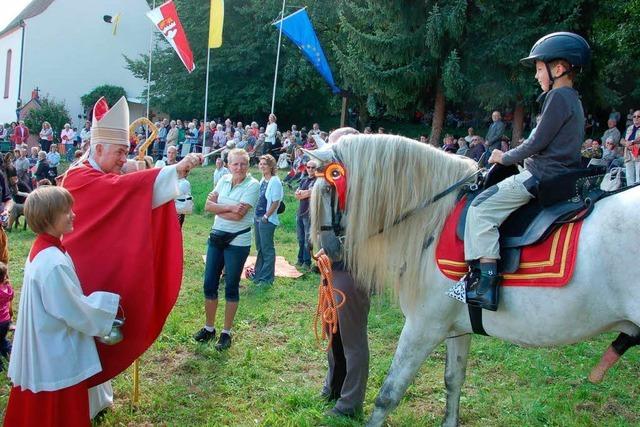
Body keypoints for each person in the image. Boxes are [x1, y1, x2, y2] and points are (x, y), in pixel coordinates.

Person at [60, 96, 202, 415]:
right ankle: (81, 403)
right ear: (98, 150)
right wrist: (174, 170)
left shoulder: (94, 173)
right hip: (79, 272)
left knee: (91, 335)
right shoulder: (80, 177)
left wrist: (163, 174)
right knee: (83, 335)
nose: (124, 160)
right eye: (120, 152)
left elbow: (122, 189)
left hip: (91, 268)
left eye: (126, 152)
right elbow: (120, 191)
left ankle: (96, 398)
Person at [464, 32, 590, 311]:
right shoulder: (573, 99)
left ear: (558, 69)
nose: (536, 76)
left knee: (481, 208)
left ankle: (485, 285)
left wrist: (505, 156)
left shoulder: (557, 97)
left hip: (541, 174)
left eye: (538, 69)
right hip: (558, 172)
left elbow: (536, 142)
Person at [4, 186, 120, 426]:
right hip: (54, 347)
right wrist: (110, 306)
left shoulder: (45, 248)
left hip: (45, 336)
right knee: (57, 412)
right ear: (48, 217)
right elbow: (73, 310)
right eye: (66, 211)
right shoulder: (52, 261)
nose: (73, 215)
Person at [194, 149, 260, 350]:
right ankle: (209, 327)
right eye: (235, 164)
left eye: (243, 164)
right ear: (228, 165)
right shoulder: (222, 180)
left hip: (238, 241)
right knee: (209, 284)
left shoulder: (253, 185)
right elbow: (207, 205)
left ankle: (226, 332)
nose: (239, 168)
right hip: (216, 236)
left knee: (231, 286)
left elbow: (239, 216)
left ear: (248, 165)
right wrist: (231, 208)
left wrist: (220, 208)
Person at [253, 154, 284, 286]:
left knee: (267, 249)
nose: (262, 166)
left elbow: (276, 202)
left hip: (267, 219)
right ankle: (258, 274)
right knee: (260, 247)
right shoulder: (262, 180)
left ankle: (267, 279)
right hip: (257, 217)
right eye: (261, 164)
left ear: (271, 166)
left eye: (265, 164)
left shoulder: (275, 181)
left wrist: (266, 216)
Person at [294, 160, 317, 269]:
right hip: (300, 212)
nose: (310, 169)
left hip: (309, 214)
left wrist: (304, 193)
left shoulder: (318, 181)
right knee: (300, 238)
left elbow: (309, 193)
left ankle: (307, 262)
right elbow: (297, 195)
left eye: (313, 167)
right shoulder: (304, 180)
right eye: (308, 167)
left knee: (308, 240)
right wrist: (305, 193)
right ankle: (300, 259)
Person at [621, 110, 640, 185]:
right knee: (629, 178)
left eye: (638, 116)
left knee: (639, 178)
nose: (636, 118)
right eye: (634, 116)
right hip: (628, 156)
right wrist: (626, 143)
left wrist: (631, 142)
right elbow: (621, 140)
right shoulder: (629, 128)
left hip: (638, 156)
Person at [0, 261, 12, 370]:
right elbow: (11, 296)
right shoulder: (7, 288)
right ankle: (10, 352)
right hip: (6, 321)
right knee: (2, 339)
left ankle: (0, 367)